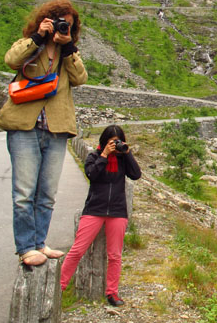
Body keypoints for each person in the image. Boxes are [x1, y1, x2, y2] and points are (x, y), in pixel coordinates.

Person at [0, 0, 88, 266]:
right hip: (24, 126)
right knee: (24, 191)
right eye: (59, 21)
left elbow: (81, 78)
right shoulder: (31, 43)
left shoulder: (69, 52)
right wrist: (38, 37)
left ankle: (39, 243)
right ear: (45, 20)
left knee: (47, 193)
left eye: (68, 25)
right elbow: (11, 60)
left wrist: (67, 45)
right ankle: (25, 247)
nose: (63, 27)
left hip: (56, 128)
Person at [60, 125, 141, 307]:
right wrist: (104, 155)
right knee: (77, 250)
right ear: (104, 141)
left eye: (117, 141)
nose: (115, 145)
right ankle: (60, 286)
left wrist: (127, 153)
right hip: (94, 210)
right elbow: (92, 174)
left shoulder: (122, 159)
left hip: (117, 211)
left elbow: (136, 175)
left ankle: (112, 292)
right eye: (111, 141)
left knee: (115, 255)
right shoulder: (94, 156)